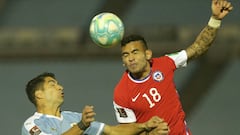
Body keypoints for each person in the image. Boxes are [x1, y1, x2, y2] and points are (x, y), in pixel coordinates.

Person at [113, 0, 233, 135]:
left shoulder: (165, 63)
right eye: (126, 55)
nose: (130, 58)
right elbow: (127, 132)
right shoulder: (121, 93)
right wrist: (151, 134)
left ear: (148, 54)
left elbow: (198, 47)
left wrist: (215, 20)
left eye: (135, 52)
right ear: (123, 61)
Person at [21, 72, 170, 135]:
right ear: (38, 94)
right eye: (52, 84)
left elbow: (113, 131)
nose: (60, 87)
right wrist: (82, 126)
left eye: (58, 84)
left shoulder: (74, 117)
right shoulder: (31, 125)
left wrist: (145, 126)